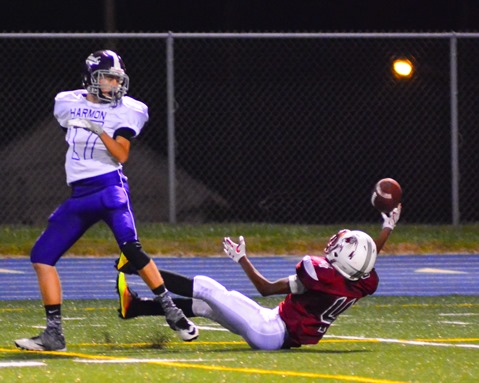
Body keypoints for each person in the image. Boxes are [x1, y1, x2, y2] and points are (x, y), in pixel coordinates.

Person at [15, 50, 198, 352]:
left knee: (132, 249)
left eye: (117, 78)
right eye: (108, 77)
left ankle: (172, 312)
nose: (114, 84)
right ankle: (54, 333)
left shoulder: (127, 110)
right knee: (41, 255)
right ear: (91, 78)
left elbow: (121, 154)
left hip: (109, 188)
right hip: (80, 194)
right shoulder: (68, 102)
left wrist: (99, 131)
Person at [115, 205, 401, 350]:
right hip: (276, 326)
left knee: (207, 288)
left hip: (269, 331)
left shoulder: (320, 274)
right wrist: (387, 227)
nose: (336, 246)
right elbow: (369, 256)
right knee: (205, 307)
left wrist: (242, 259)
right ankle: (135, 306)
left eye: (343, 248)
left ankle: (137, 266)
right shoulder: (361, 282)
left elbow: (264, 288)